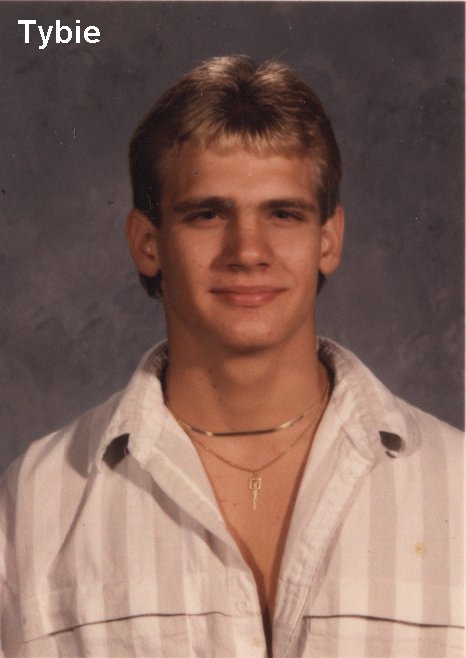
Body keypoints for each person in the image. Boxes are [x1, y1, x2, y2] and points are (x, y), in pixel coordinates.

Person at [0, 55, 463, 658]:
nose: (247, 251)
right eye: (208, 214)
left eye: (283, 214)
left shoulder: (456, 487)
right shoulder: (34, 504)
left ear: (328, 240)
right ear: (147, 243)